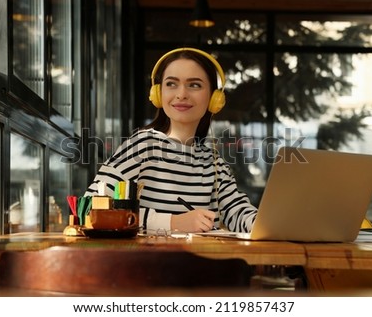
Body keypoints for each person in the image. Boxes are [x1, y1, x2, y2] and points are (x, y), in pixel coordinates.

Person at [85, 47, 257, 233]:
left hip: (201, 261)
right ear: (158, 94)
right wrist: (172, 223)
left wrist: (266, 224)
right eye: (171, 84)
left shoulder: (214, 164)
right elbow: (90, 209)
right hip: (148, 262)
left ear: (214, 98)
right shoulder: (141, 146)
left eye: (194, 85)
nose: (181, 94)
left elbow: (238, 212)